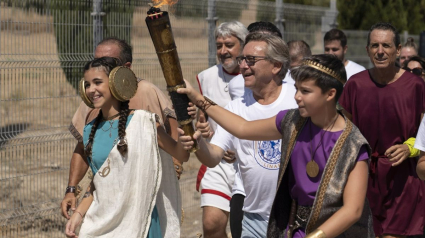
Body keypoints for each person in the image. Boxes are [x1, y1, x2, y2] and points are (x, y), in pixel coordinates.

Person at [179, 53, 374, 238]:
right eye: (296, 88)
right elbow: (242, 127)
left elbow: (353, 210)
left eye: (305, 91)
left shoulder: (354, 145)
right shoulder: (293, 120)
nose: (297, 96)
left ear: (330, 94)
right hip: (292, 228)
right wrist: (197, 98)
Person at [183, 32, 300, 237]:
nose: (243, 65)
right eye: (242, 59)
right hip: (253, 217)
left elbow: (243, 128)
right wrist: (198, 143)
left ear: (276, 65)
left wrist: (198, 98)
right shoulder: (236, 107)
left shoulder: (296, 100)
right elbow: (213, 157)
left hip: (294, 216)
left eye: (251, 60)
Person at [64, 57, 189, 238]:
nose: (91, 90)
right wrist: (78, 215)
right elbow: (98, 183)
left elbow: (181, 154)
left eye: (97, 82)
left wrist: (189, 132)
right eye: (87, 84)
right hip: (103, 223)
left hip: (140, 223)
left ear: (116, 81)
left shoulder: (144, 122)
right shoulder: (90, 130)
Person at [339, 22, 425, 238]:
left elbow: (424, 133)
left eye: (386, 45)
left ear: (397, 49)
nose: (380, 51)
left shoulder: (416, 86)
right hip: (363, 177)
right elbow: (342, 131)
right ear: (367, 50)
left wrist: (409, 149)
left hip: (403, 180)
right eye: (374, 45)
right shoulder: (355, 84)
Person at [195, 21, 247, 238]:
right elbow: (201, 118)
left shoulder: (255, 76)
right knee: (212, 224)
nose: (223, 51)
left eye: (229, 45)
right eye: (219, 45)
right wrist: (203, 127)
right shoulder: (206, 77)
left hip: (247, 165)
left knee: (241, 229)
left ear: (244, 46)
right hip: (218, 163)